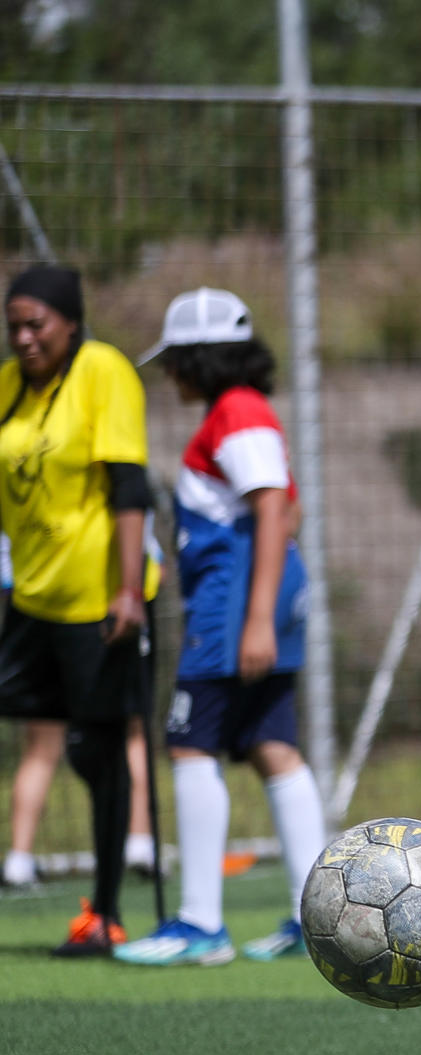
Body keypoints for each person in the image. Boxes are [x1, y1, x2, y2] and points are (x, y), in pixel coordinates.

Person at [115, 287, 326, 966]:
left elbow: (271, 509)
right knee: (271, 744)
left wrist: (254, 615)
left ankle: (201, 923)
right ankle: (315, 916)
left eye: (175, 359)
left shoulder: (235, 414)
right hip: (251, 594)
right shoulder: (243, 413)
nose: (170, 373)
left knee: (190, 743)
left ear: (198, 358)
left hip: (234, 606)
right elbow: (283, 511)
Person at [0, 264, 159, 955]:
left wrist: (129, 590)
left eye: (37, 324)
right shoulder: (7, 389)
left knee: (96, 750)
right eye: (14, 327)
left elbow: (129, 488)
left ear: (69, 322)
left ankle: (107, 912)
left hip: (98, 606)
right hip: (31, 599)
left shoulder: (104, 372)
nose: (25, 338)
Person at [1, 533, 160, 890]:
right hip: (98, 597)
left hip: (35, 597)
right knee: (128, 729)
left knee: (44, 742)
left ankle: (19, 857)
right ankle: (138, 841)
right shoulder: (116, 485)